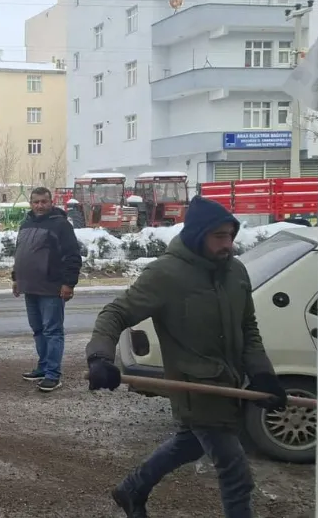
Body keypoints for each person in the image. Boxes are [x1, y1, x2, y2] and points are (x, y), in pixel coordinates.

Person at [84, 195, 289, 518]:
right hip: (194, 389)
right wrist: (100, 358)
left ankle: (132, 489)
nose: (228, 244)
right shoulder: (167, 274)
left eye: (231, 235)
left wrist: (263, 375)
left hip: (229, 384)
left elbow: (248, 328)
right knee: (236, 474)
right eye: (219, 236)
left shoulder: (235, 272)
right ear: (197, 235)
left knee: (188, 444)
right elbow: (115, 313)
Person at [11, 187, 82, 393]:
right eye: (36, 202)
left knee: (52, 331)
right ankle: (42, 368)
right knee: (38, 330)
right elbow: (20, 254)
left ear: (51, 202)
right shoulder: (26, 224)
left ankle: (53, 374)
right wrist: (16, 278)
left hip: (51, 288)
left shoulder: (61, 225)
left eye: (43, 201)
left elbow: (72, 256)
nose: (39, 206)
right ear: (31, 203)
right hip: (30, 287)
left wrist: (69, 283)